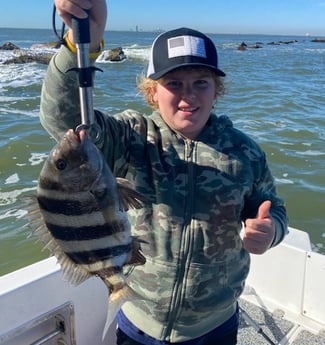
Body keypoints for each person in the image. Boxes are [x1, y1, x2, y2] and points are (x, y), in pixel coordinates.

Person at [41, 1, 288, 344]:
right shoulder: (131, 137)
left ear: (217, 91)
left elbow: (272, 207)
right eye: (173, 83)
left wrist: (270, 229)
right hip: (140, 320)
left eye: (201, 82)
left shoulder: (244, 152)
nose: (188, 96)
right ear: (152, 93)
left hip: (215, 324)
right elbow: (64, 121)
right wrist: (81, 43)